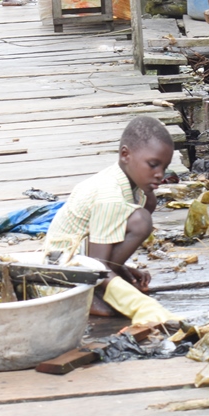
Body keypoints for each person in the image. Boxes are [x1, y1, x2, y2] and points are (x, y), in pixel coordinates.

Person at [43, 116, 176, 321]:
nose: (160, 174)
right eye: (153, 165)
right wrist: (135, 302)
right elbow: (97, 264)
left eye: (164, 167)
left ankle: (103, 285)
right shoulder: (110, 196)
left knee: (148, 205)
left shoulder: (134, 187)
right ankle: (88, 294)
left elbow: (101, 242)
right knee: (141, 220)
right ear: (125, 155)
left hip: (84, 256)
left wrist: (122, 269)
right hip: (61, 271)